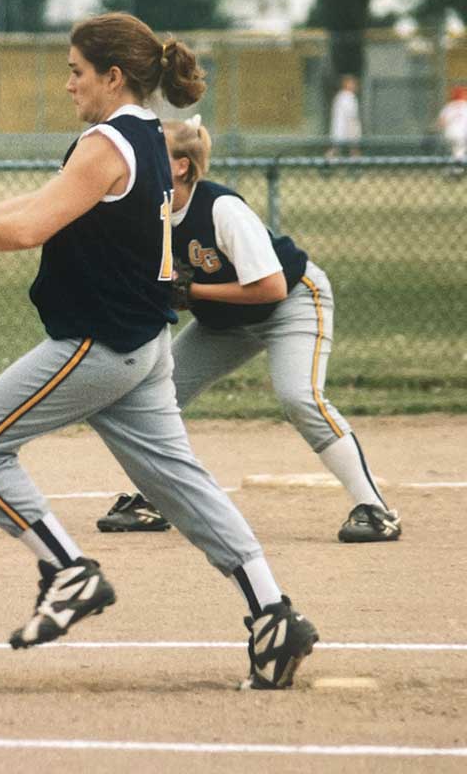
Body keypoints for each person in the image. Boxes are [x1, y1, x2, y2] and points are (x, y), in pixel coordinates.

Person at [0, 13, 318, 690]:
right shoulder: (145, 137)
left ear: (112, 76)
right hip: (143, 343)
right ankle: (274, 616)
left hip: (100, 343)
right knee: (180, 485)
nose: (68, 82)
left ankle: (69, 573)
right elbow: (44, 202)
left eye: (77, 71)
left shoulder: (109, 142)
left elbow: (33, 226)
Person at [96, 115, 402, 545]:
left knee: (299, 396)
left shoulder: (221, 208)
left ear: (180, 166)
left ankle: (375, 509)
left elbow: (271, 287)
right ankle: (154, 500)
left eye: (152, 153)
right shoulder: (151, 213)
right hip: (225, 321)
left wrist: (194, 290)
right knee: (154, 396)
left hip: (293, 303)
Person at [327, 74, 361, 158]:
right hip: (346, 127)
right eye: (352, 84)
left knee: (337, 148)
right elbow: (351, 115)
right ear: (346, 84)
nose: (355, 86)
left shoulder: (340, 96)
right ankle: (355, 167)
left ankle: (327, 164)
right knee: (351, 148)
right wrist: (355, 130)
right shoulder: (348, 96)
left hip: (341, 128)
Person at [436, 86, 467, 169]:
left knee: (454, 151)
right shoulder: (465, 106)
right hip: (461, 134)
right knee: (459, 153)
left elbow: (441, 123)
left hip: (449, 133)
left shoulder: (448, 106)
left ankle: (452, 168)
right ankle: (456, 170)